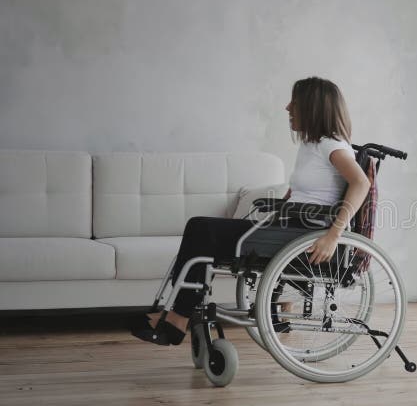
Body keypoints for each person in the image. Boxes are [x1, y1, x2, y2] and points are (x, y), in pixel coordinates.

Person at [130, 77, 371, 345]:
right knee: (200, 232)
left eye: (295, 102)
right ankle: (177, 313)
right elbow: (307, 192)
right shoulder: (312, 145)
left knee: (200, 229)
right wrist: (282, 204)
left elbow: (361, 183)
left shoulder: (331, 145)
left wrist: (333, 236)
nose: (287, 107)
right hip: (289, 226)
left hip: (302, 233)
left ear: (312, 107)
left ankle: (178, 317)